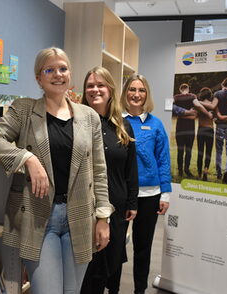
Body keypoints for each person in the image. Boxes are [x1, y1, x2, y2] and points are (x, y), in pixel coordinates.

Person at [0, 47, 114, 294]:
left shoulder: (89, 117)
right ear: (39, 78)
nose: (57, 74)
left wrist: (103, 216)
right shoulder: (25, 110)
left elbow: (99, 171)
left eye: (62, 68)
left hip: (81, 217)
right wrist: (26, 157)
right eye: (49, 70)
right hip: (40, 216)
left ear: (70, 73)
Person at [80, 67, 139, 294]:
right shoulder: (76, 122)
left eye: (100, 85)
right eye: (90, 86)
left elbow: (130, 168)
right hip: (85, 206)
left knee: (112, 265)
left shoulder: (123, 126)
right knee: (89, 268)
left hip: (117, 206)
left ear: (110, 90)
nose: (95, 90)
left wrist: (132, 203)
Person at [121, 74, 172, 294]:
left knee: (143, 248)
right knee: (115, 248)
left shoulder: (156, 124)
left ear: (146, 94)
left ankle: (139, 290)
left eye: (141, 90)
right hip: (122, 194)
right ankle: (112, 288)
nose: (136, 94)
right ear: (125, 93)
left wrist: (165, 194)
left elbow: (163, 159)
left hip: (150, 194)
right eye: (132, 89)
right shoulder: (117, 121)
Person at [173, 83, 197, 177]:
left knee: (180, 150)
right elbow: (195, 114)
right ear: (188, 89)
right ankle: (187, 169)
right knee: (189, 150)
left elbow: (172, 108)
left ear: (180, 89)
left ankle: (180, 171)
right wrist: (189, 114)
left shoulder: (176, 97)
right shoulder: (192, 96)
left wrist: (181, 115)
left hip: (180, 127)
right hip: (190, 127)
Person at [194, 87, 215, 181]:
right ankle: (205, 170)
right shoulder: (212, 104)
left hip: (201, 129)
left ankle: (199, 172)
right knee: (208, 152)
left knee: (200, 151)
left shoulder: (198, 105)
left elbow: (195, 115)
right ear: (210, 95)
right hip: (210, 129)